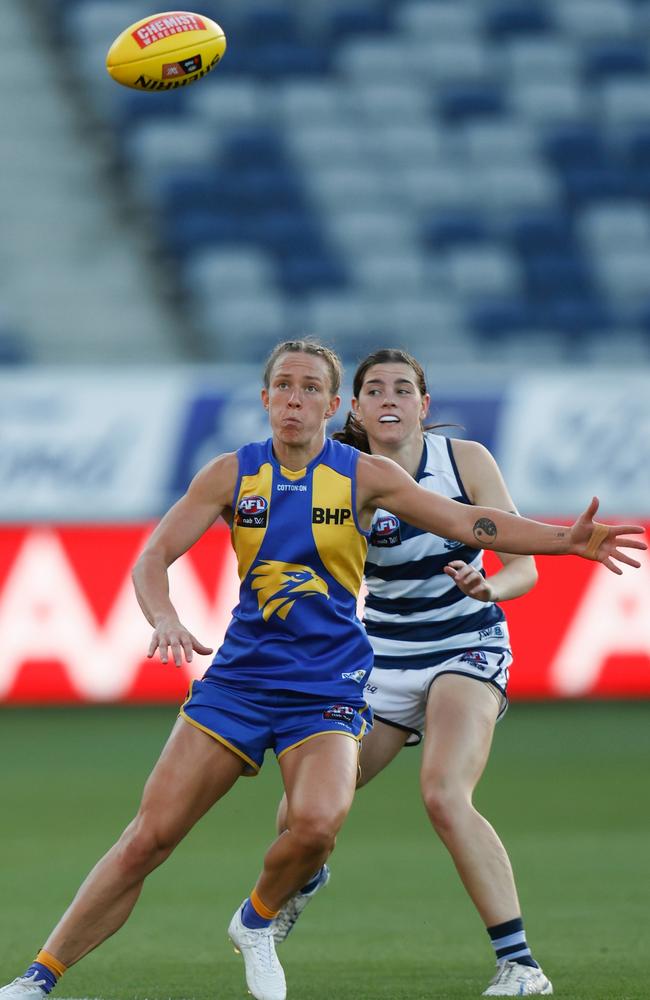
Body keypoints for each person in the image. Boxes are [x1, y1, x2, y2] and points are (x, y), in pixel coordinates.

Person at [0, 339, 645, 1000]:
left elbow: (469, 522)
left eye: (310, 388)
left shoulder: (367, 477)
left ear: (332, 405)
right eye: (283, 386)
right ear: (265, 398)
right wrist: (162, 615)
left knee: (316, 823)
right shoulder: (230, 474)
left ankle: (256, 920)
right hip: (240, 680)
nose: (295, 399)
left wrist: (564, 539)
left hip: (329, 685)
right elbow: (153, 556)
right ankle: (37, 977)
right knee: (148, 839)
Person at [270, 348, 641, 996]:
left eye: (404, 389)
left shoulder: (465, 463)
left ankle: (520, 965)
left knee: (443, 791)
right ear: (354, 408)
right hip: (381, 655)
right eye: (375, 389)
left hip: (465, 644)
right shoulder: (341, 475)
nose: (390, 399)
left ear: (424, 405)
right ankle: (304, 874)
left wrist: (489, 588)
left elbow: (521, 562)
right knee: (306, 808)